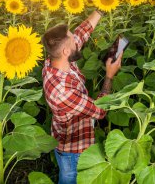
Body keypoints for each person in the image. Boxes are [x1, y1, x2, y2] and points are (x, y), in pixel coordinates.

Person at [41, 10, 123, 184]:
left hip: (62, 135)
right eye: (72, 41)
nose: (76, 41)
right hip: (73, 149)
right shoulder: (62, 91)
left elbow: (80, 33)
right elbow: (100, 111)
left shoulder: (53, 60)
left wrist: (101, 10)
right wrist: (109, 75)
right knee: (72, 179)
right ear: (65, 51)